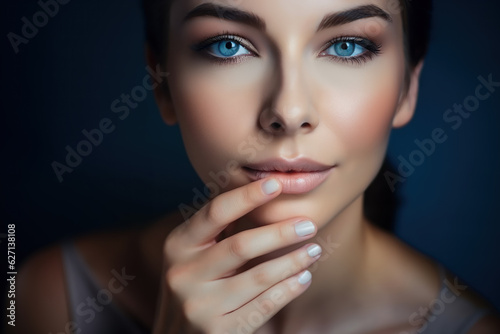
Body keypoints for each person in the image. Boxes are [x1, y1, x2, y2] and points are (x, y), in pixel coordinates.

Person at [9, 0, 500, 333]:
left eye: (347, 46)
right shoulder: (46, 297)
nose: (288, 111)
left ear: (407, 88)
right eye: (228, 45)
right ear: (161, 82)